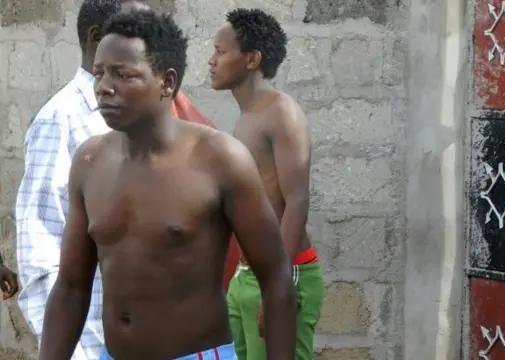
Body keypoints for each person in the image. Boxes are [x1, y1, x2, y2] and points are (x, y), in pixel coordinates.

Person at [38, 10, 296, 360]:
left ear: (167, 82)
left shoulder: (219, 159)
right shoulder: (90, 163)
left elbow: (276, 274)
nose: (104, 87)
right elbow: (71, 287)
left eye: (123, 74)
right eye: (99, 73)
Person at [14, 1, 217, 359]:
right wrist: (79, 352)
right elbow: (40, 253)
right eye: (133, 25)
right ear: (99, 37)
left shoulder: (147, 112)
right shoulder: (60, 120)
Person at [209, 8, 325, 360]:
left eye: (220, 51)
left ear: (252, 59)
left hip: (282, 275)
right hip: (247, 277)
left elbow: (297, 201)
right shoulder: (246, 118)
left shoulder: (282, 112)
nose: (211, 60)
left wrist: (277, 288)